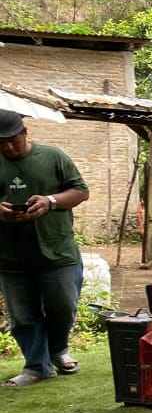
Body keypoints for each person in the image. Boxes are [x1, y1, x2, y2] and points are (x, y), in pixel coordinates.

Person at [0, 109, 91, 387]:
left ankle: (59, 350)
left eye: (12, 140)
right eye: (0, 142)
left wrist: (50, 201)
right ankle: (37, 367)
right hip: (10, 257)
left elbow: (80, 191)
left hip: (57, 252)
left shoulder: (54, 157)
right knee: (23, 315)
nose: (7, 146)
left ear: (25, 133)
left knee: (63, 307)